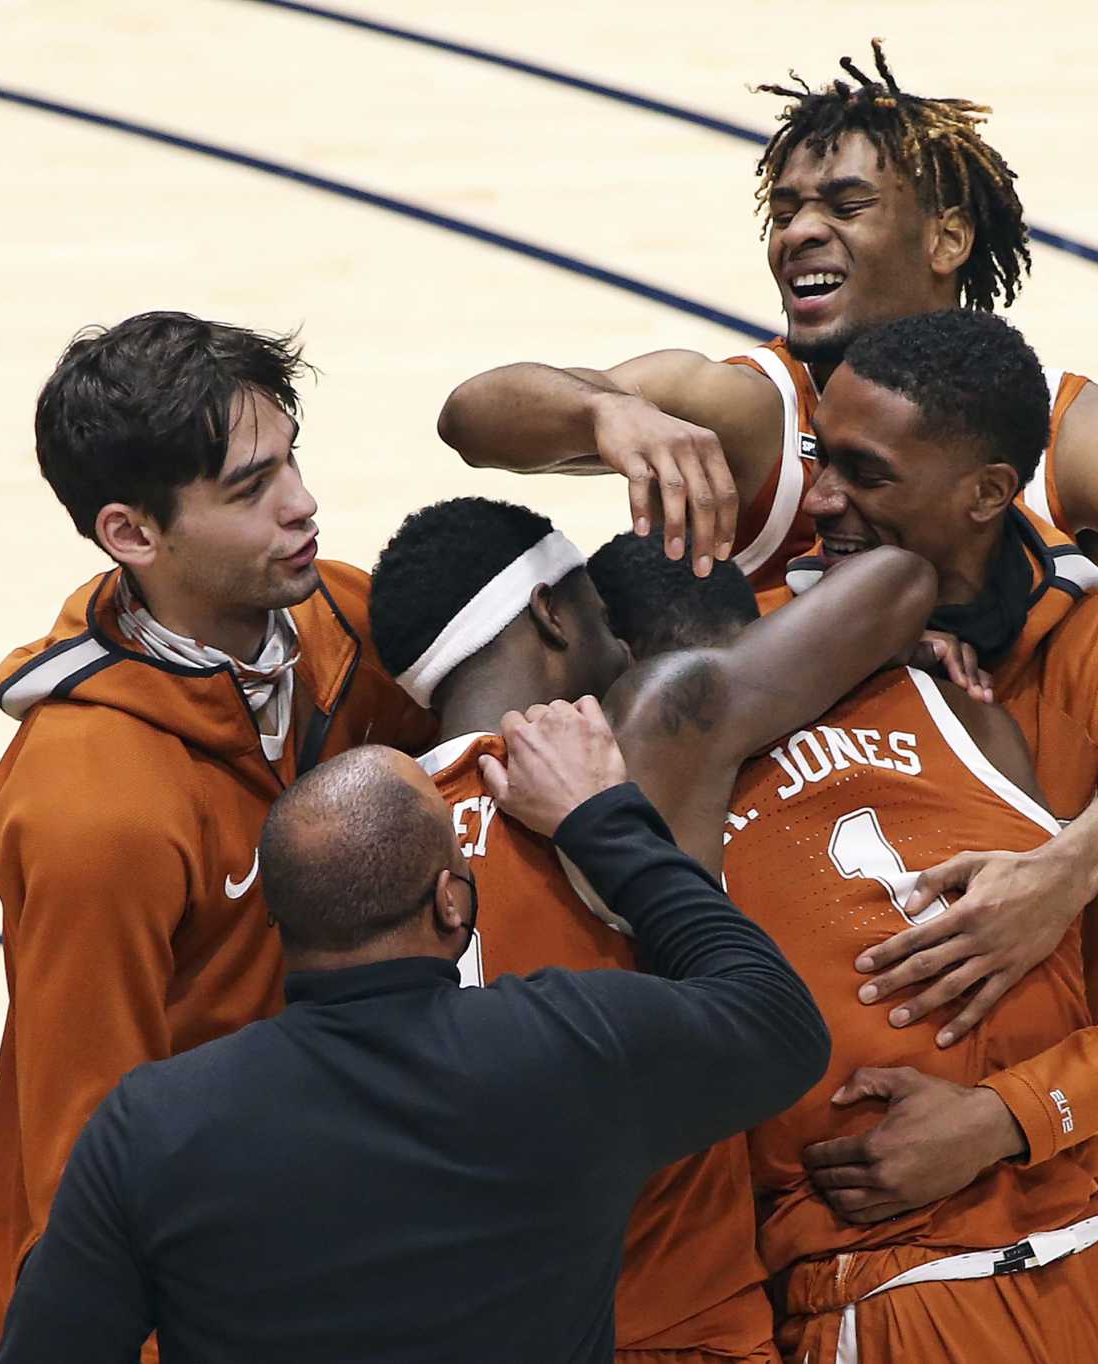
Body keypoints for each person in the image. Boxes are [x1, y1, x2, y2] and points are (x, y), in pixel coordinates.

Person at [436, 41, 1098, 1047]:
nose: (799, 231)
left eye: (842, 206)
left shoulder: (1085, 437)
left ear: (944, 237)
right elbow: (472, 417)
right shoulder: (751, 410)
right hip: (765, 968)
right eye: (785, 210)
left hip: (1003, 959)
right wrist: (603, 416)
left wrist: (1066, 870)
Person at [678, 308, 1098, 1361]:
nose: (824, 503)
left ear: (985, 492)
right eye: (818, 461)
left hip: (1050, 1229)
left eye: (865, 473)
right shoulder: (746, 653)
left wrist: (997, 1115)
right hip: (821, 1280)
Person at [0, 728, 831, 1364]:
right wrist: (603, 825)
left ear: (278, 921)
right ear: (452, 904)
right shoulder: (573, 1047)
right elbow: (780, 1022)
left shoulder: (150, 1124)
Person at [0, 311, 432, 1364]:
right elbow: (87, 1168)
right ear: (132, 533)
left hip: (309, 1245)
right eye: (248, 487)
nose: (301, 502)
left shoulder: (334, 626)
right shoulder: (95, 810)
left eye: (290, 458)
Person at [367, 496, 939, 1363]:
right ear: (550, 613)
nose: (626, 641)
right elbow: (899, 580)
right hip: (671, 1327)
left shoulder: (357, 835)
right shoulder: (619, 755)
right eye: (602, 611)